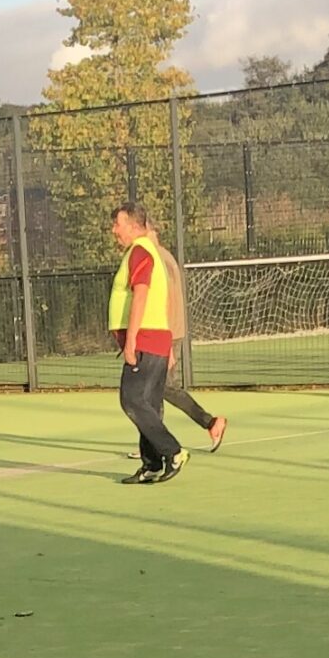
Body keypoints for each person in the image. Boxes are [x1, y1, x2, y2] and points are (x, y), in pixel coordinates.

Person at [128, 226, 226, 459]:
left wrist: (168, 343)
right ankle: (153, 445)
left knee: (160, 388)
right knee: (154, 390)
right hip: (167, 333)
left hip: (165, 334)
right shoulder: (161, 256)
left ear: (149, 231)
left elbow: (167, 300)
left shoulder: (157, 258)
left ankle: (209, 422)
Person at [108, 205, 187, 484]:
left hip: (145, 340)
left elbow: (141, 297)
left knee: (131, 400)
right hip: (157, 340)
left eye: (117, 224)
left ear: (133, 226)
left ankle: (173, 451)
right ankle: (152, 464)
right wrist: (167, 344)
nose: (114, 230)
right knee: (149, 404)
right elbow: (160, 301)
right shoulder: (148, 252)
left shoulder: (140, 251)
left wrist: (130, 341)